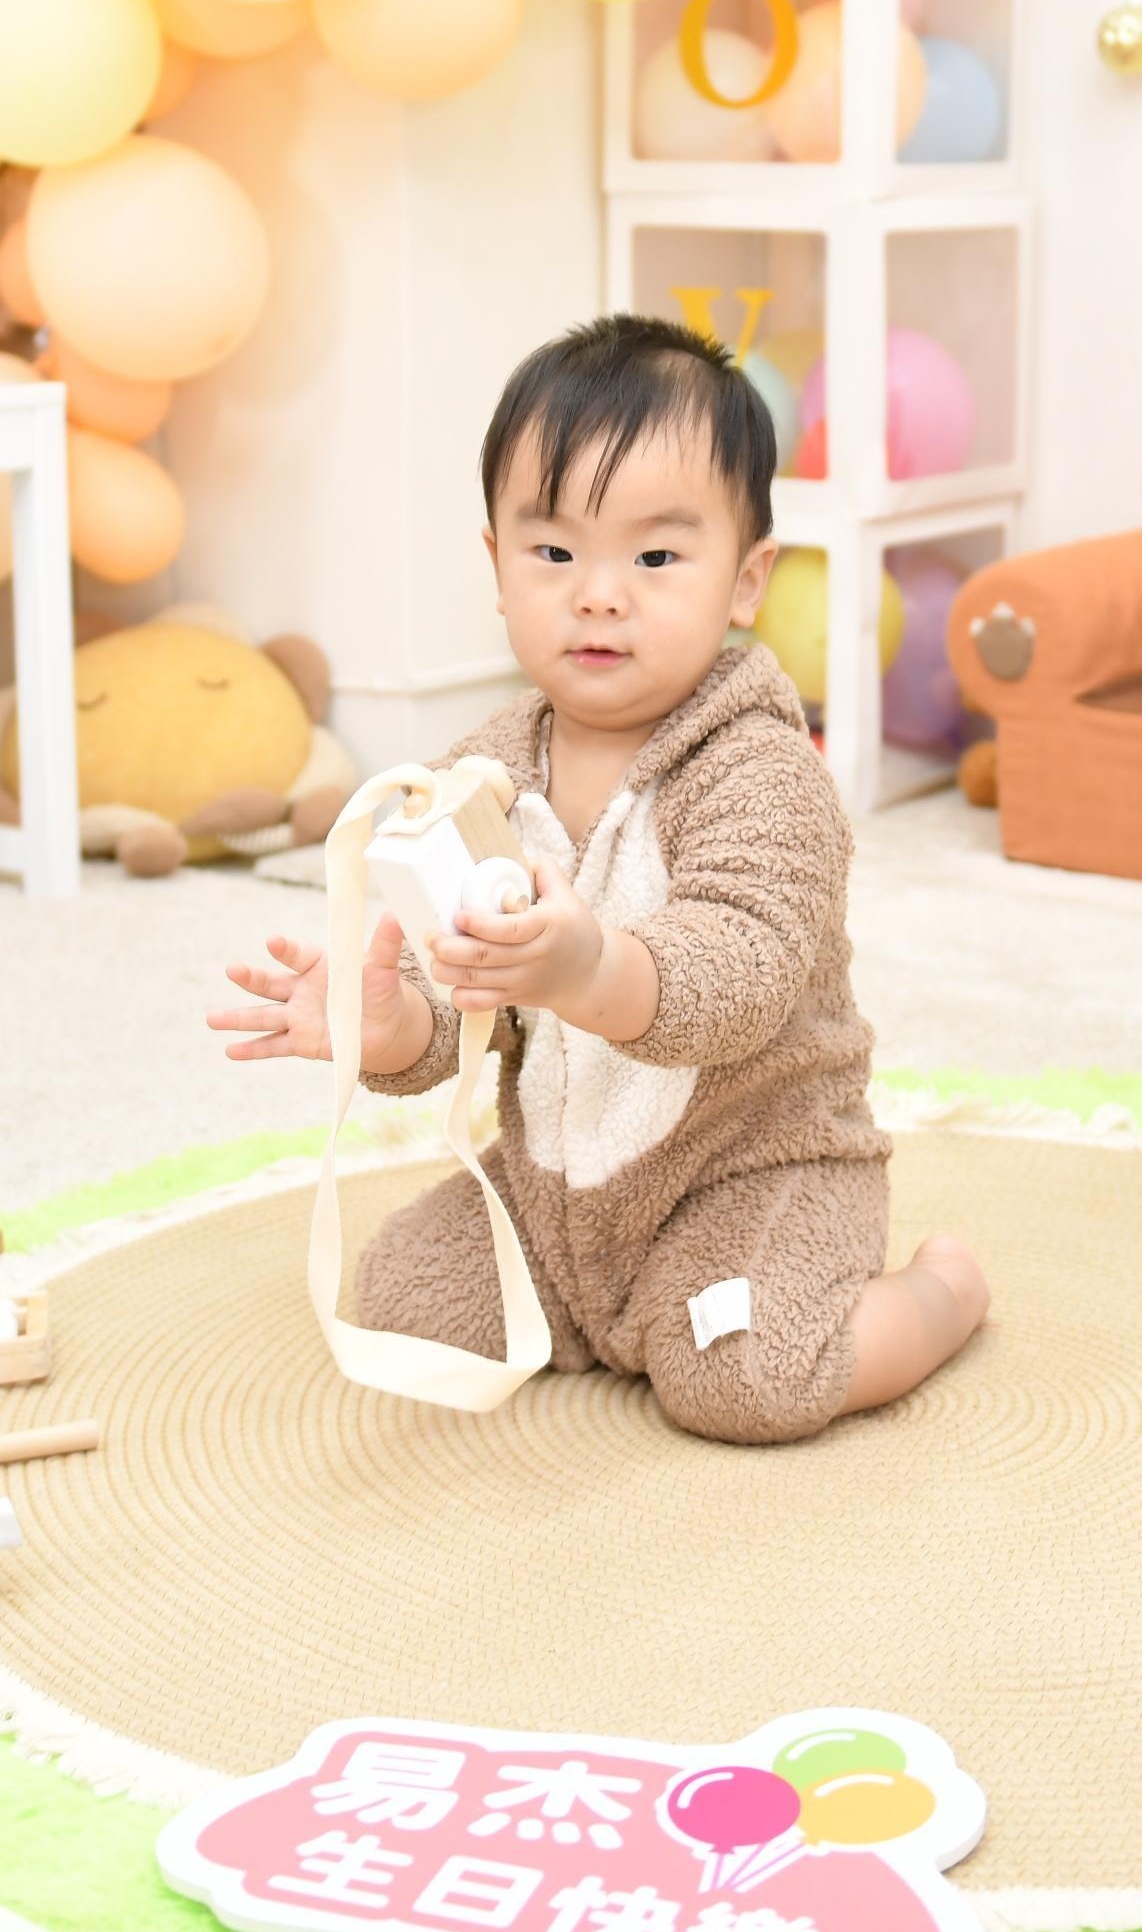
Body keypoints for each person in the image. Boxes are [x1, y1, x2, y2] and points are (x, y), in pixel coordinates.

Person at [210, 313, 988, 1438]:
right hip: (562, 1190)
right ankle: (610, 1305)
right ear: (497, 567)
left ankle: (935, 1296)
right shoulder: (477, 775)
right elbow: (466, 1001)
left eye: (658, 557)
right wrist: (384, 1024)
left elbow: (740, 974)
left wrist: (587, 966)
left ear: (745, 578)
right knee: (407, 1301)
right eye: (555, 553)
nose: (599, 593)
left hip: (753, 1169)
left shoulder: (763, 772)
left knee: (745, 1382)